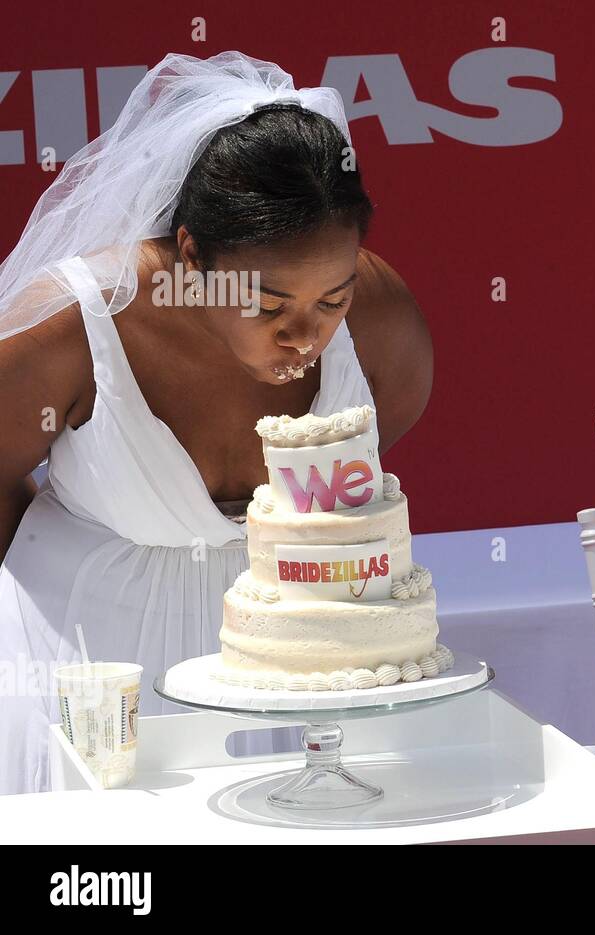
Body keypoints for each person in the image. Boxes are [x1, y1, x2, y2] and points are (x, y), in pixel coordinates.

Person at [0, 52, 433, 795]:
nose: (306, 337)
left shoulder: (382, 318)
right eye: (269, 307)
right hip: (88, 669)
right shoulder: (73, 325)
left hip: (295, 677)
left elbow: (359, 464)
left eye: (331, 301)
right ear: (193, 254)